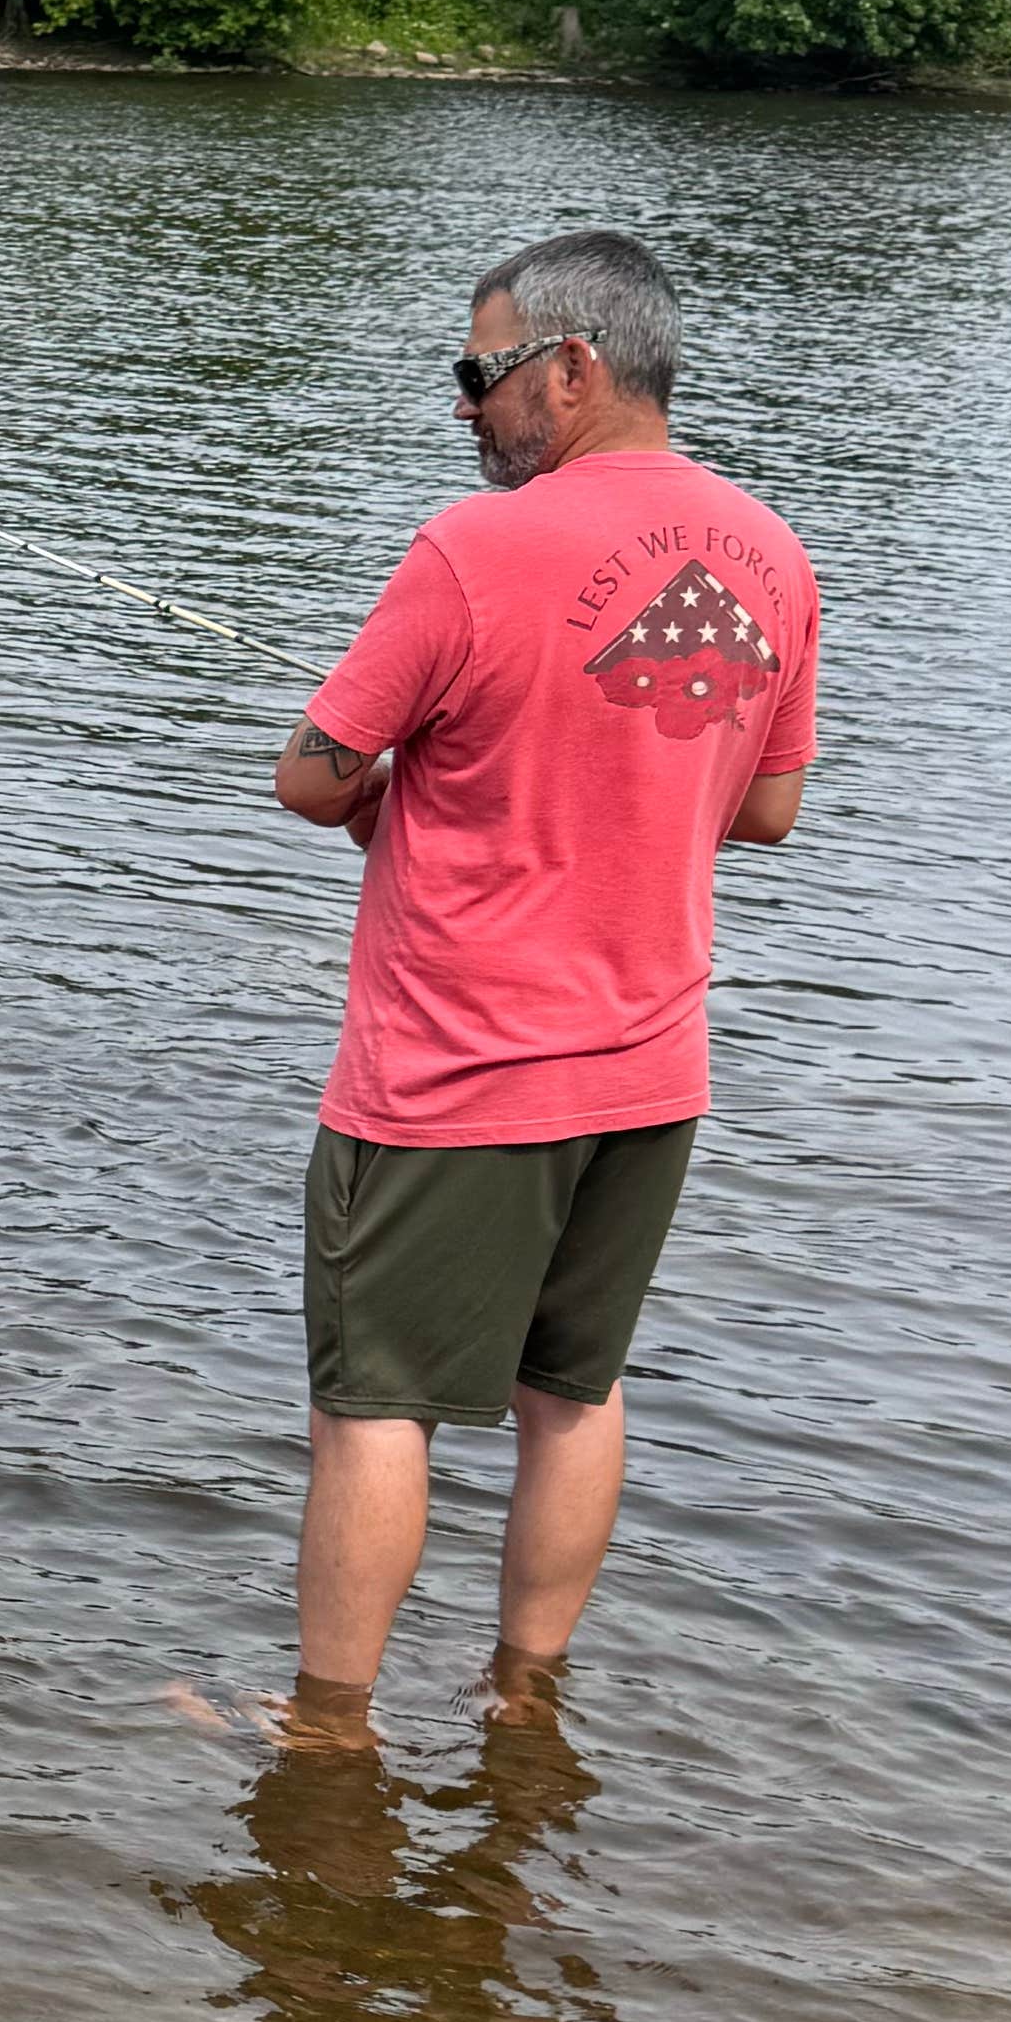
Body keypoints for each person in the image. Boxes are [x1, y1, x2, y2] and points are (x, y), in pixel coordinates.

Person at [271, 231, 818, 1732]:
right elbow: (765, 810)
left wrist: (396, 794)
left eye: (482, 372)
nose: (467, 409)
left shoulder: (472, 547)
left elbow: (311, 779)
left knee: (374, 1402)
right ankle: (526, 1700)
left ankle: (323, 1736)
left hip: (458, 1068)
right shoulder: (772, 552)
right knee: (571, 1393)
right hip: (650, 1074)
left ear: (571, 368)